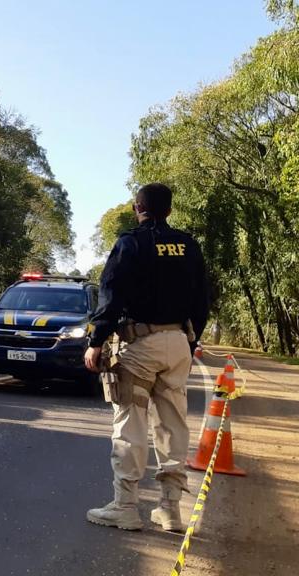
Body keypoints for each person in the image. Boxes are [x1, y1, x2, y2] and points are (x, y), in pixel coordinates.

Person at [83, 183, 209, 532]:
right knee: (172, 425)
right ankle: (170, 510)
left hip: (140, 345)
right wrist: (190, 338)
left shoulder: (131, 243)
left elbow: (110, 294)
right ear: (168, 210)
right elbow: (202, 299)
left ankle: (125, 506)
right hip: (177, 343)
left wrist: (96, 340)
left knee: (131, 424)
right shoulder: (188, 245)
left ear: (138, 207)